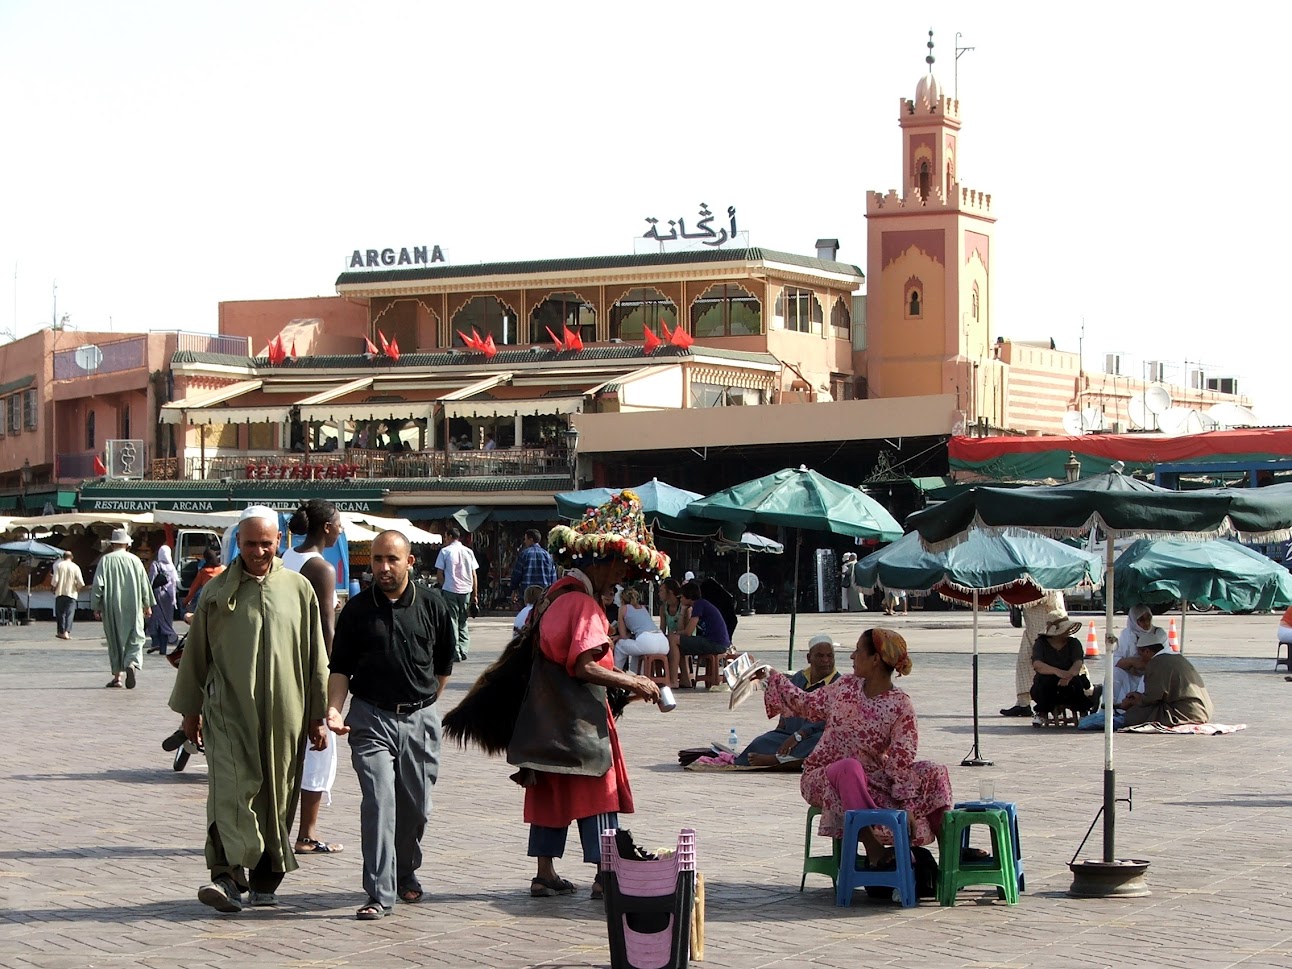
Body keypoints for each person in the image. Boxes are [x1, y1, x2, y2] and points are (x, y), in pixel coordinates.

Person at [170, 505, 328, 914]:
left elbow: (316, 657)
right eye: (250, 543)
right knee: (230, 790)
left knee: (277, 795)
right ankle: (226, 877)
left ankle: (264, 879)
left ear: (279, 541)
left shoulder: (299, 589)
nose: (258, 551)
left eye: (265, 543)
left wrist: (318, 715)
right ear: (237, 542)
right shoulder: (217, 592)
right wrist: (191, 711)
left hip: (286, 714)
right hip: (228, 712)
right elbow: (196, 657)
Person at [509, 490, 666, 899]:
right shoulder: (582, 604)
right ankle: (605, 873)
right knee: (601, 791)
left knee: (549, 794)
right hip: (578, 723)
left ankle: (545, 874)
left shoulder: (553, 595)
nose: (620, 578)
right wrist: (636, 682)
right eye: (619, 569)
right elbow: (583, 665)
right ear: (605, 560)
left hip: (545, 719)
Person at [326, 530, 456, 920]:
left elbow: (443, 667)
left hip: (419, 718)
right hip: (370, 718)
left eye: (391, 560)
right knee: (379, 803)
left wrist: (425, 706)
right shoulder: (357, 611)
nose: (382, 568)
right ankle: (379, 893)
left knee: (416, 808)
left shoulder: (433, 606)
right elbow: (340, 669)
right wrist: (334, 709)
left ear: (410, 562)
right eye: (377, 560)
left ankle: (405, 871)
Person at [758, 628, 952, 865]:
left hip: (871, 778)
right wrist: (771, 676)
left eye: (858, 651)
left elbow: (901, 762)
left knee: (934, 770)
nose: (851, 656)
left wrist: (907, 805)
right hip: (823, 775)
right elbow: (806, 704)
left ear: (875, 659)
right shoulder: (845, 687)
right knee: (848, 768)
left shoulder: (900, 706)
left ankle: (950, 855)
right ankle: (875, 850)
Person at [282, 499, 345, 857]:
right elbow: (326, 628)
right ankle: (306, 834)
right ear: (326, 527)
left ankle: (282, 828)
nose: (341, 530)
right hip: (313, 669)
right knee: (320, 749)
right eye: (338, 524)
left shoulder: (287, 557)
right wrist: (339, 675)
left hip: (286, 666)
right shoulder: (321, 567)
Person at [737, 635, 839, 767]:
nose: (826, 660)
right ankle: (780, 758)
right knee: (761, 742)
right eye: (820, 656)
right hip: (789, 734)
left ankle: (777, 760)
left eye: (829, 656)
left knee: (820, 742)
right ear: (809, 658)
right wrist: (782, 727)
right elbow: (788, 702)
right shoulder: (799, 677)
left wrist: (799, 735)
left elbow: (828, 719)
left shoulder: (838, 683)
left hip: (813, 736)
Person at [91, 528, 155, 689]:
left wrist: (96, 606)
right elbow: (144, 584)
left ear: (113, 544)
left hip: (112, 606)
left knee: (115, 640)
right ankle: (132, 663)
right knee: (135, 636)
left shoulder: (105, 560)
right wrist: (147, 605)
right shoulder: (135, 560)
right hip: (133, 605)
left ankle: (117, 677)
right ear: (127, 544)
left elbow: (98, 585)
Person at [1119, 628, 1215, 727]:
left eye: (1140, 654)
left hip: (1188, 712)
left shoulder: (1157, 662)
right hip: (1202, 709)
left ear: (1147, 651)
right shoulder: (1176, 657)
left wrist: (1135, 701)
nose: (1140, 659)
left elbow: (1153, 697)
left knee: (1136, 714)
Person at [1001, 590, 1065, 717]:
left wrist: (1018, 597)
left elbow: (1046, 597)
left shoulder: (1048, 576)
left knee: (1062, 660)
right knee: (1024, 662)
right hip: (1032, 625)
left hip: (1050, 624)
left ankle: (1089, 691)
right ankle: (1023, 703)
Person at [1029, 610, 1094, 726]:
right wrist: (1057, 672)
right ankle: (1041, 713)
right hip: (1048, 677)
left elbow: (1078, 663)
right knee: (1044, 684)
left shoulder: (1073, 643)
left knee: (1077, 684)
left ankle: (1083, 713)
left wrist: (1068, 676)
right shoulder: (1041, 643)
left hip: (1070, 677)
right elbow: (1037, 664)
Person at [668, 581, 731, 689]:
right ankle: (685, 679)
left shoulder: (699, 605)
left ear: (689, 596)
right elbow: (683, 631)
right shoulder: (701, 604)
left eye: (682, 597)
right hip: (715, 641)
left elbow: (687, 632)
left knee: (673, 640)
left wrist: (675, 633)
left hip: (715, 643)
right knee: (678, 646)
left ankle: (673, 681)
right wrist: (683, 611)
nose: (681, 600)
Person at [435, 526, 478, 662]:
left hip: (450, 589)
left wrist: (444, 586)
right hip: (466, 589)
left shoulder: (445, 551)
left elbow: (440, 574)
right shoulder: (468, 552)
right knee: (463, 620)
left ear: (449, 536)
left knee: (452, 620)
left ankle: (456, 651)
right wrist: (475, 594)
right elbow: (473, 574)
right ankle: (464, 649)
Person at [1113, 604, 1164, 704]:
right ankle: (1111, 708)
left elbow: (1162, 659)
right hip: (1130, 673)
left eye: (1148, 618)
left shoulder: (1158, 634)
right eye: (1142, 620)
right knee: (1114, 673)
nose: (1146, 623)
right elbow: (1115, 660)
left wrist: (1142, 665)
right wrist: (1132, 662)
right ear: (1134, 621)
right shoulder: (1126, 634)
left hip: (1151, 673)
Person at [612, 587, 670, 671]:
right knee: (636, 651)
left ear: (622, 599)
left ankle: (616, 673)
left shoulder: (623, 609)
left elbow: (623, 636)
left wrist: (618, 637)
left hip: (646, 641)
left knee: (620, 646)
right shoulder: (643, 608)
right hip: (663, 642)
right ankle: (635, 674)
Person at [145, 545, 179, 656]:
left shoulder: (156, 565)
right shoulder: (172, 567)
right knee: (166, 620)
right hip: (169, 598)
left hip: (157, 595)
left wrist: (146, 595)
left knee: (154, 619)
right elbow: (175, 583)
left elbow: (151, 580)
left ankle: (156, 642)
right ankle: (163, 648)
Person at [510, 528, 557, 606]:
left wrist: (514, 590)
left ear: (531, 539)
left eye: (525, 539)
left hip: (527, 596)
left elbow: (517, 574)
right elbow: (553, 578)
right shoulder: (547, 555)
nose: (524, 542)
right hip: (543, 596)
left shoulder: (524, 554)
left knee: (527, 616)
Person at [657, 577, 687, 687]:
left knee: (673, 642)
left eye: (661, 591)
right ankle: (662, 677)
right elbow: (662, 628)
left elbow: (683, 628)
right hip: (671, 637)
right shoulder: (663, 608)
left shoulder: (683, 606)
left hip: (683, 636)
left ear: (669, 592)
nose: (659, 594)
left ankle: (673, 679)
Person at [51, 550, 85, 640]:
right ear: (72, 557)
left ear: (63, 557)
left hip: (60, 592)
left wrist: (53, 589)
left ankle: (61, 632)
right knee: (70, 613)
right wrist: (77, 590)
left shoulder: (59, 566)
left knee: (60, 613)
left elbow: (55, 580)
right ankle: (67, 632)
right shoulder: (76, 567)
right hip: (72, 594)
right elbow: (81, 583)